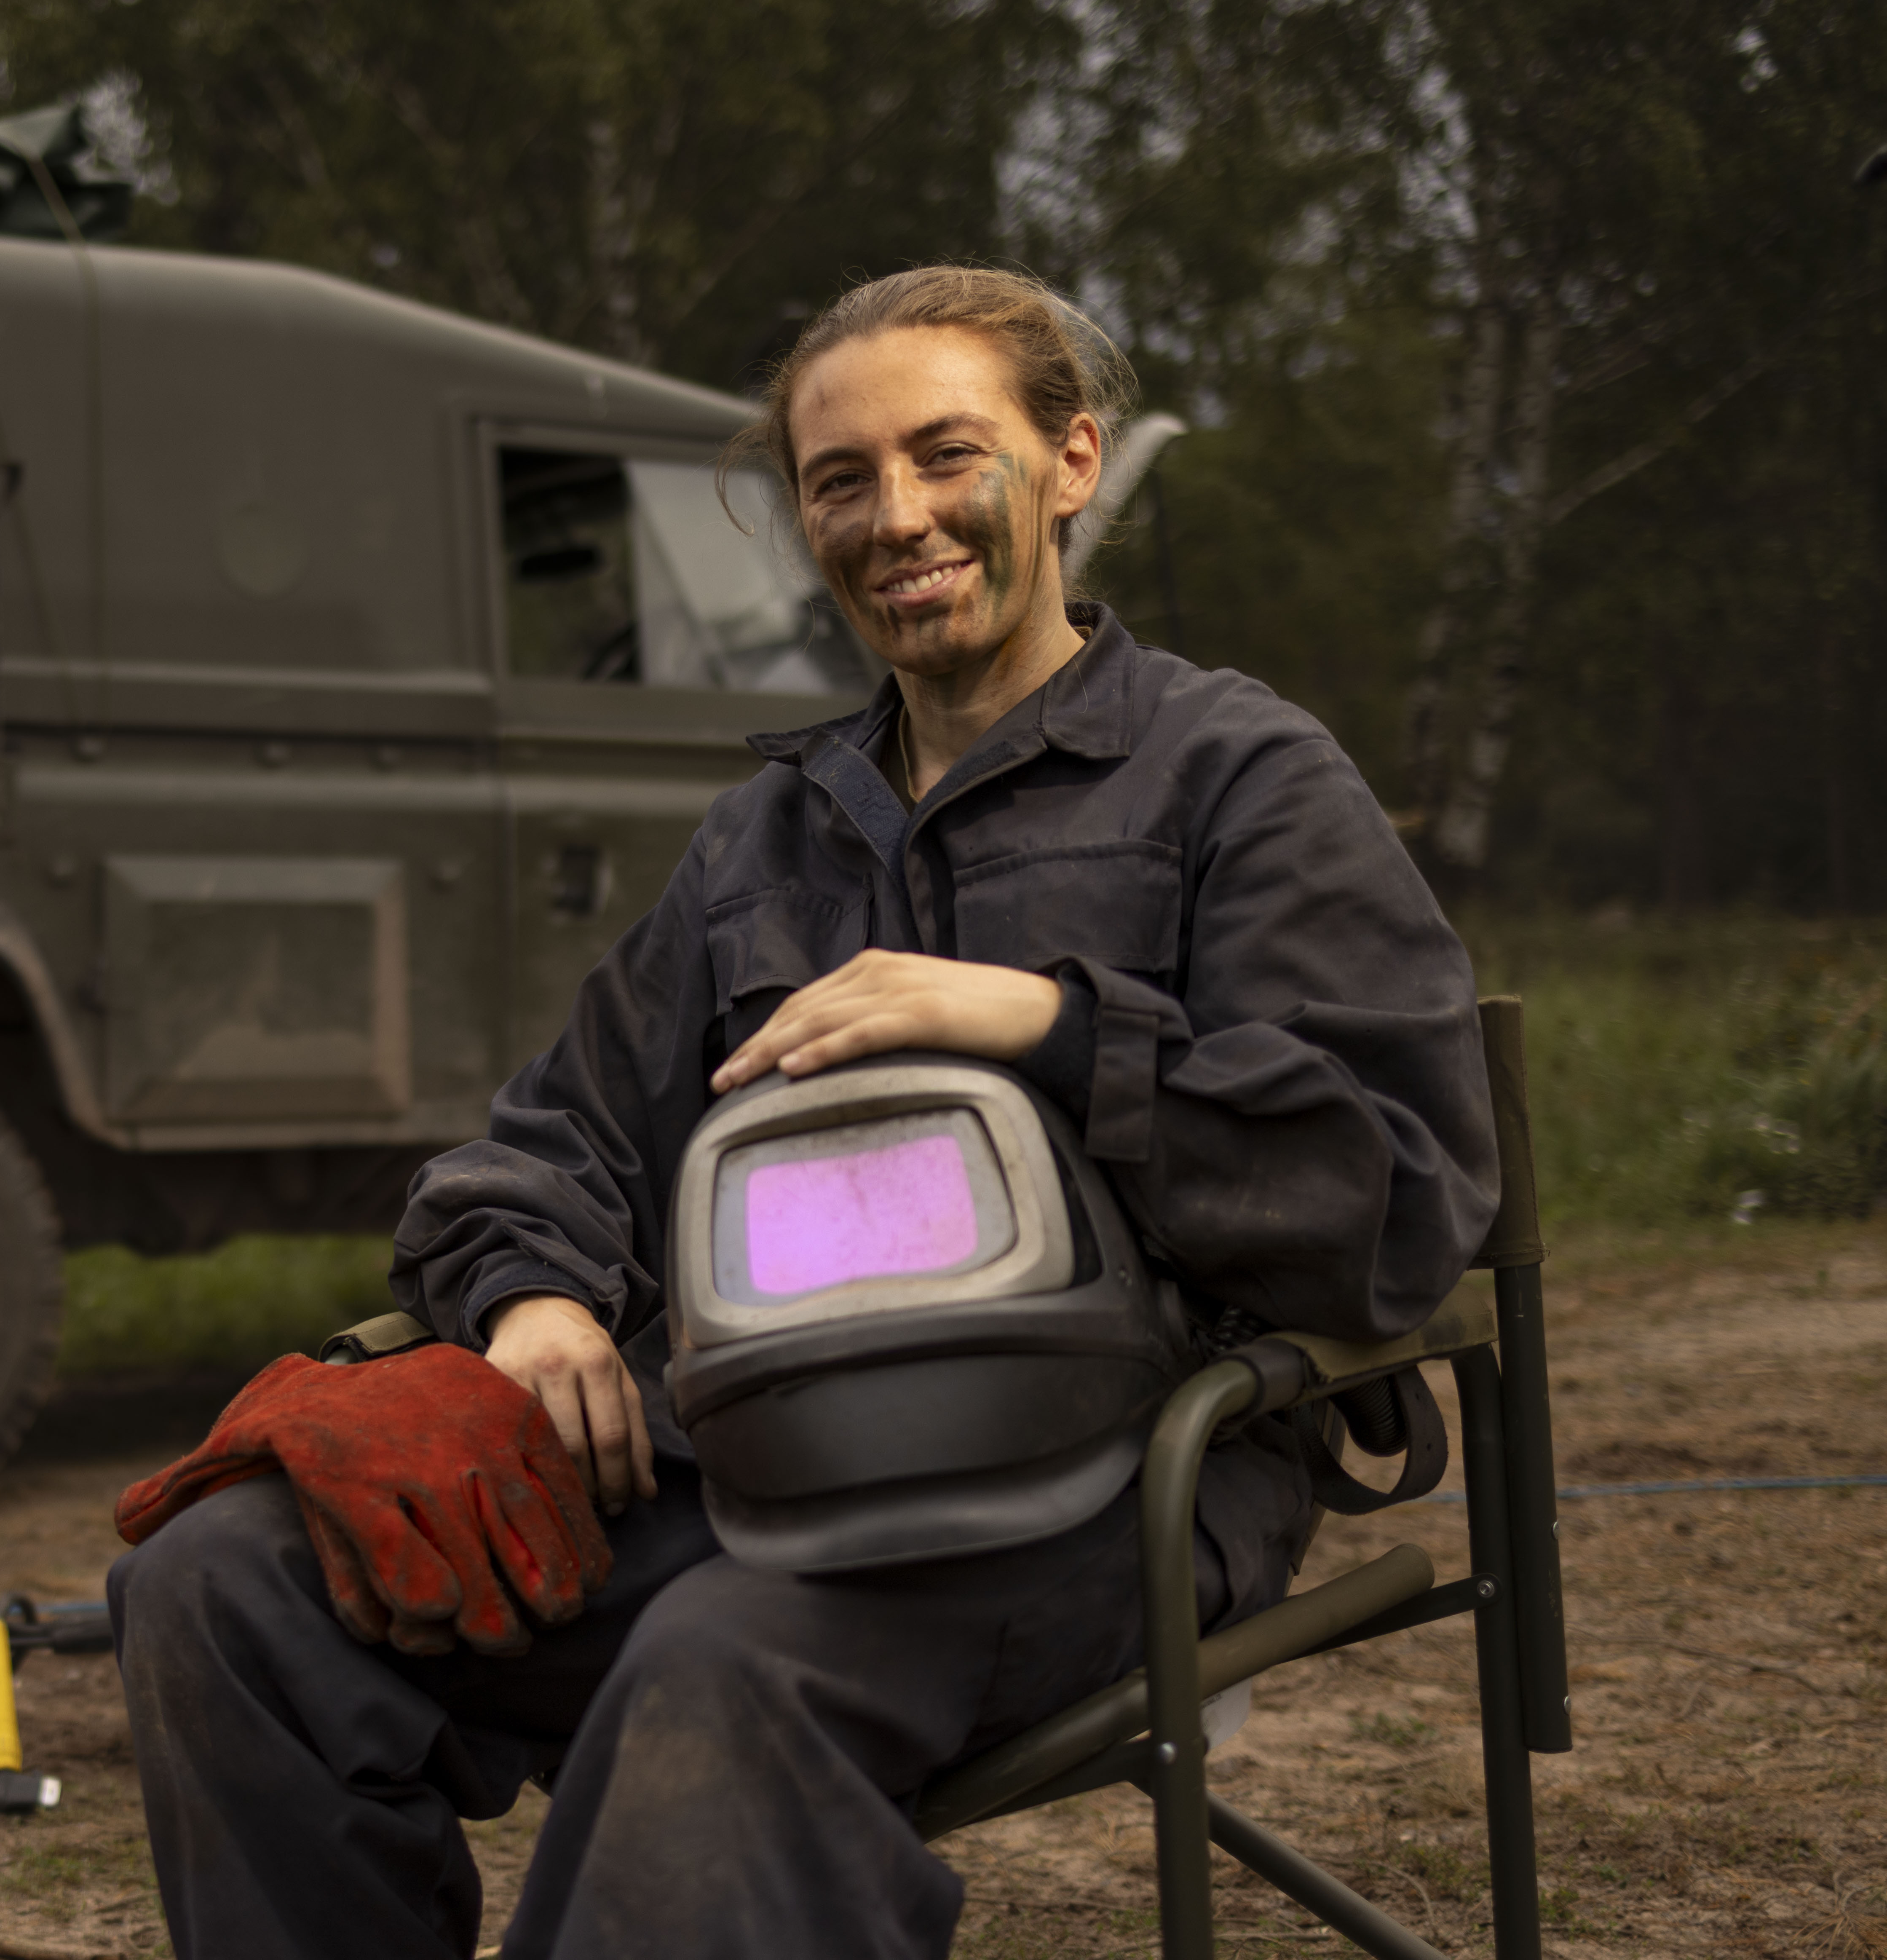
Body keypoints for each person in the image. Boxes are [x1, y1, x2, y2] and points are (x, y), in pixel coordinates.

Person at [106, 265, 1497, 1960]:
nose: (894, 517)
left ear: (1069, 460)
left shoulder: (1236, 778)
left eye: (945, 453)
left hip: (1096, 1483)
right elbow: (544, 1141)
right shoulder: (764, 842)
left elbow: (1398, 1190)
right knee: (221, 1577)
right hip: (755, 1459)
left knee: (721, 1660)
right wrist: (530, 1292)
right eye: (840, 479)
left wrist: (1050, 1027)